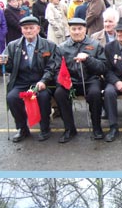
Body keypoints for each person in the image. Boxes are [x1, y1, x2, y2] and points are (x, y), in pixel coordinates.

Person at [0, 14, 60, 143]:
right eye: (25, 28)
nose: (28, 31)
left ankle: (45, 127)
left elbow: (52, 67)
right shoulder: (13, 46)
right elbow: (9, 68)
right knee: (12, 98)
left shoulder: (49, 45)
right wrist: (3, 63)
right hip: (21, 82)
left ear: (38, 29)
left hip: (41, 81)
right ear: (21, 30)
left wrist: (44, 81)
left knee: (43, 97)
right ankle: (22, 128)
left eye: (31, 28)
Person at [54, 16, 107, 142]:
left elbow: (103, 67)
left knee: (95, 94)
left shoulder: (95, 45)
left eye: (80, 29)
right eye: (73, 29)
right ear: (69, 30)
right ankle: (69, 129)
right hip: (70, 81)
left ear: (85, 30)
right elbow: (56, 68)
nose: (77, 32)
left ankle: (96, 127)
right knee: (59, 93)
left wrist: (88, 59)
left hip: (90, 80)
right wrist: (63, 80)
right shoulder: (61, 47)